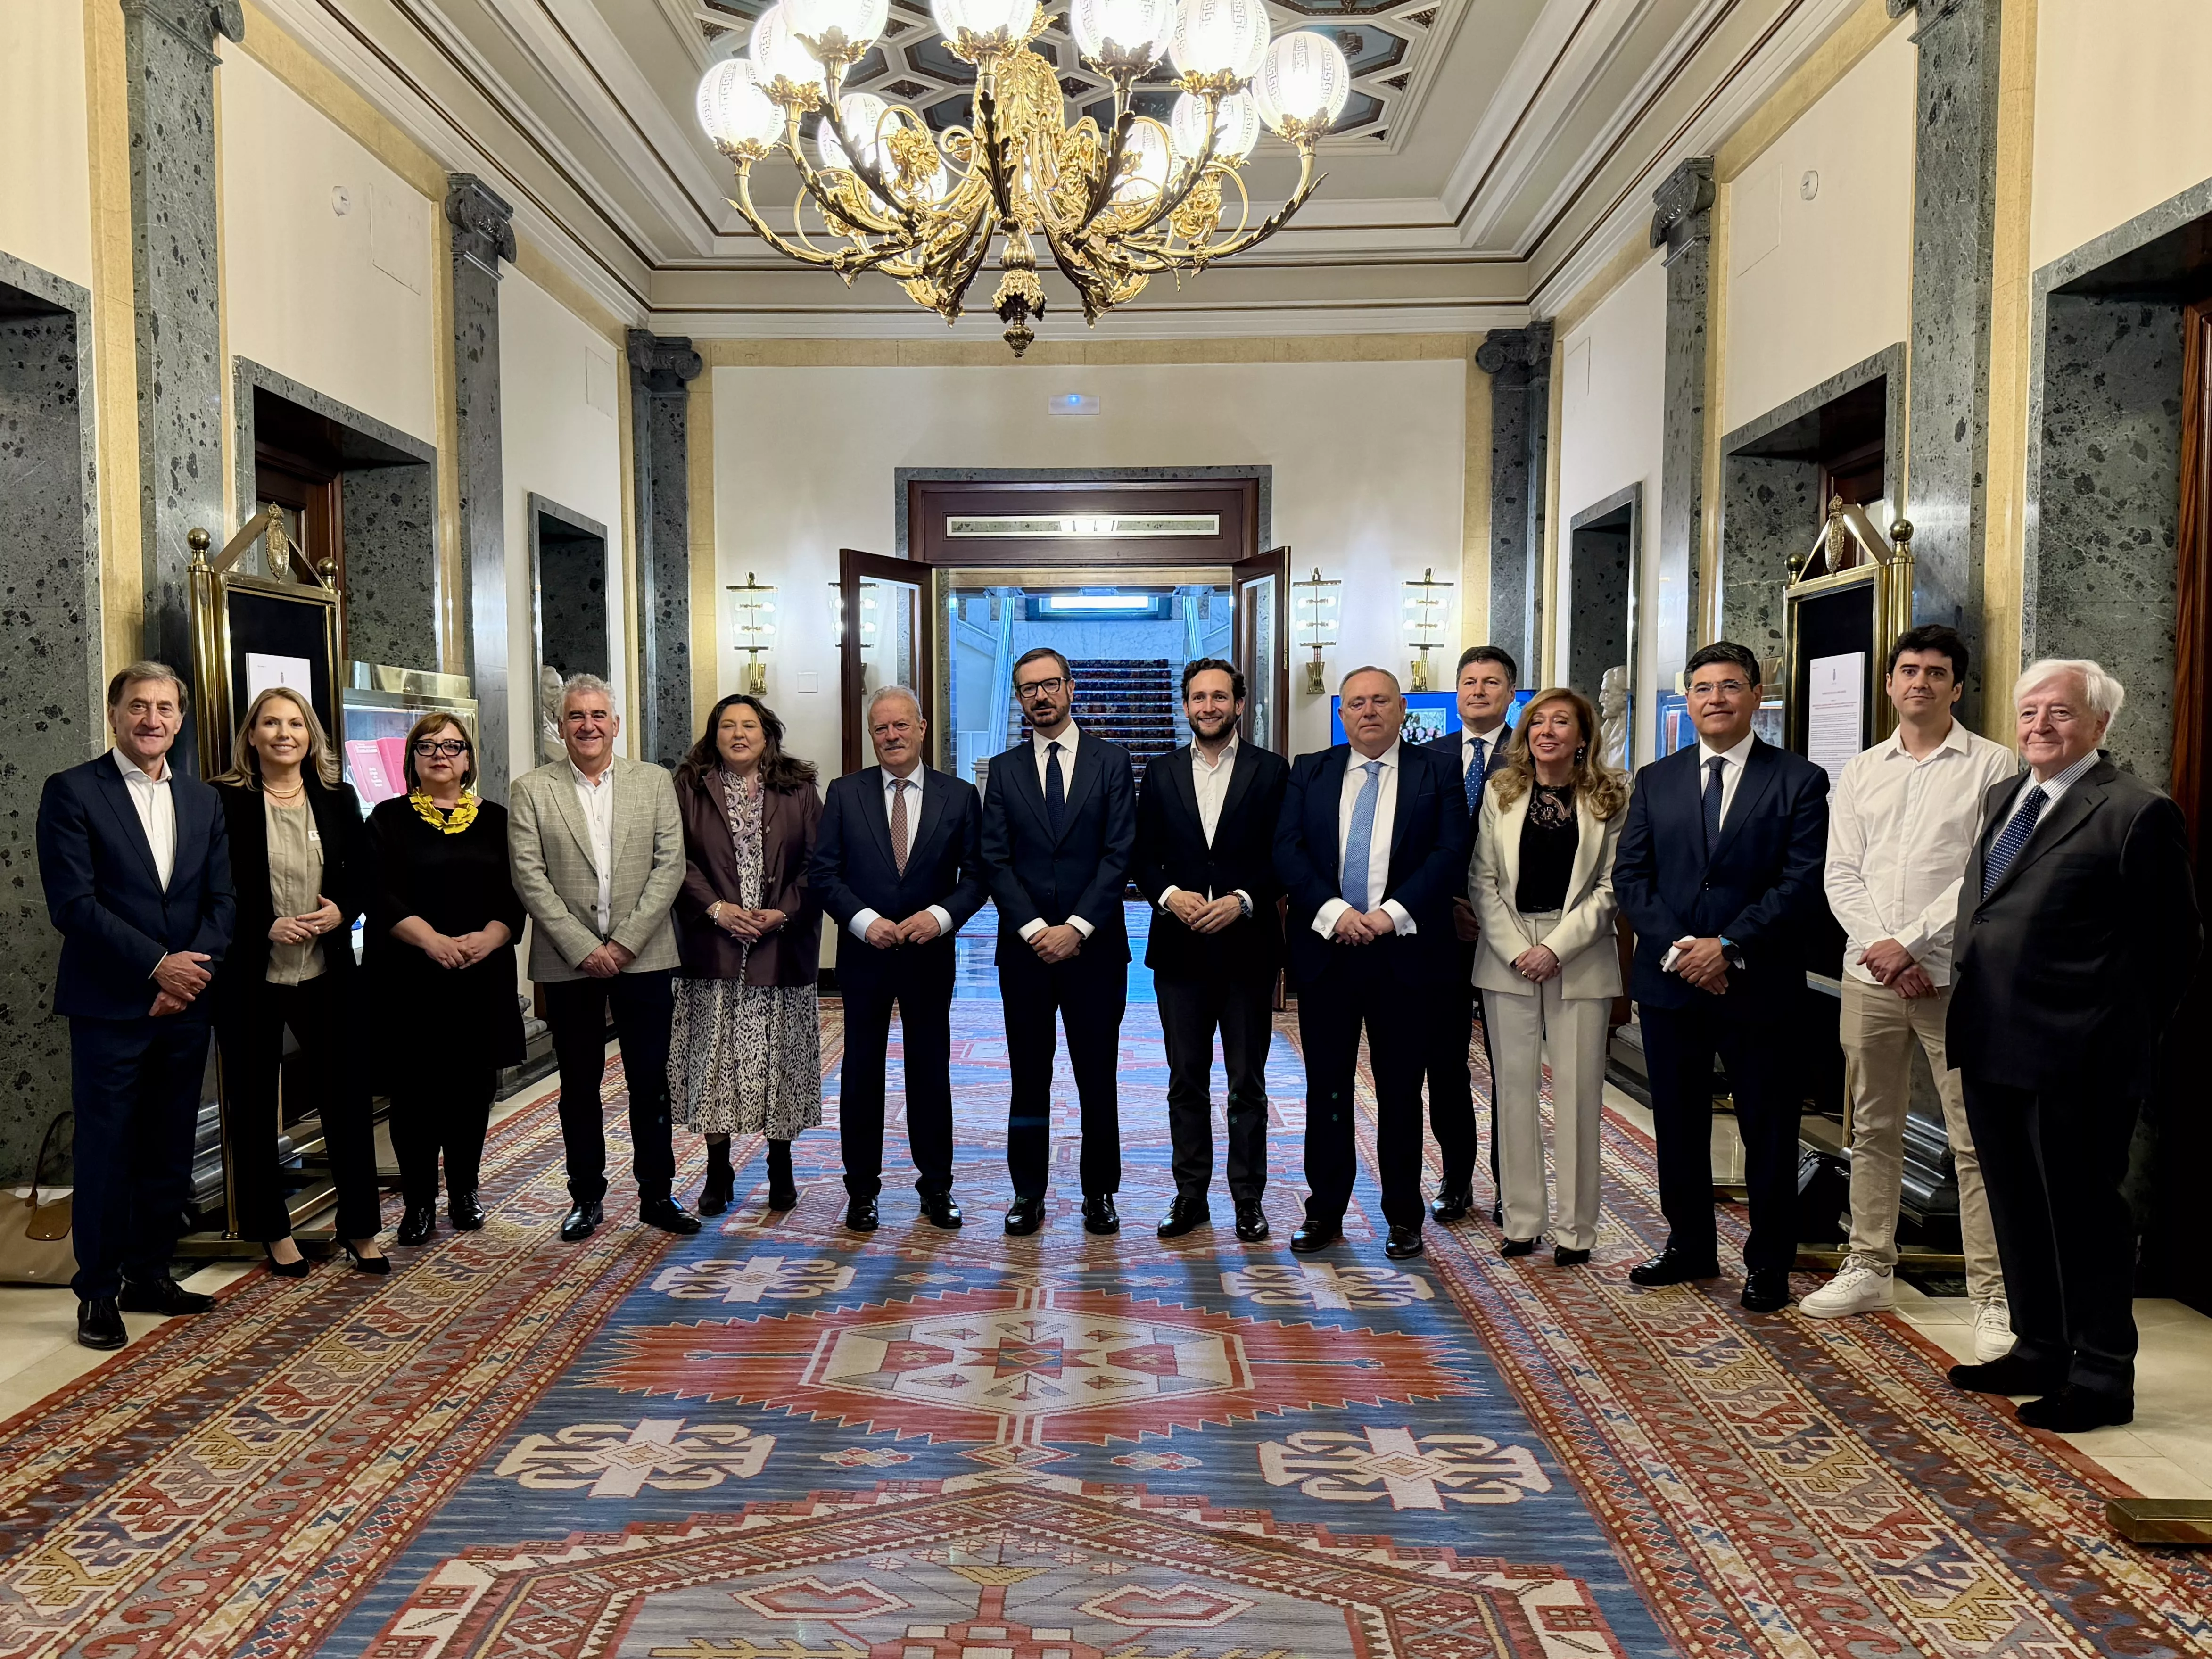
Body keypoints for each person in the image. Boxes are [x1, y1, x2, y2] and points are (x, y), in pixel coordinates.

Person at [1944, 659, 2200, 1432]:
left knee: (2083, 1216)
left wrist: (2115, 1031)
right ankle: (2038, 1343)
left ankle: (2100, 1375)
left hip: (2080, 1057)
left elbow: (2174, 944)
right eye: (2028, 712)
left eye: (2059, 711)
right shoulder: (2004, 796)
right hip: (1992, 1039)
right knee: (2017, 1204)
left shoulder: (2134, 810)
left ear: (2098, 724)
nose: (2039, 725)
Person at [1805, 625, 2016, 1355]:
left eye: (1936, 671)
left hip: (1954, 978)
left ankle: (1994, 1295)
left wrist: (1915, 944)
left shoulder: (1994, 766)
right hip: (1870, 975)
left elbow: (1985, 873)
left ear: (1957, 686)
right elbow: (1841, 872)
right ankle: (1867, 1262)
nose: (1920, 681)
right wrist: (1884, 950)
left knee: (1973, 1138)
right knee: (1871, 1125)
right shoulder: (1862, 769)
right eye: (1908, 670)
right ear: (1889, 684)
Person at [1613, 641, 1830, 1312]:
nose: (1716, 698)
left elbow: (1802, 881)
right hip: (1673, 981)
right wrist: (1685, 947)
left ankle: (1769, 1261)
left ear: (1756, 695)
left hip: (1759, 984)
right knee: (1677, 1121)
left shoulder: (1800, 779)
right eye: (1703, 686)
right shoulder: (1656, 779)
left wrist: (1729, 944)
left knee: (1768, 1125)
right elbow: (1632, 876)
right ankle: (1689, 1246)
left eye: (1730, 686)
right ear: (1690, 696)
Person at [38, 663, 235, 1350]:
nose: (152, 719)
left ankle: (150, 1273)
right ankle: (97, 1290)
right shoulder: (72, 792)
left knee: (169, 1145)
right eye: (138, 706)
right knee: (106, 1150)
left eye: (166, 708)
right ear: (116, 713)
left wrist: (189, 973)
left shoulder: (205, 801)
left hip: (187, 1004)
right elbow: (74, 904)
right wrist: (157, 966)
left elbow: (223, 903)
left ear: (181, 719)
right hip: (111, 1005)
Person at [1275, 666, 1468, 1260]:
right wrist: (1336, 912)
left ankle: (1404, 1216)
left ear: (1402, 707)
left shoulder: (1437, 772)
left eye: (1380, 700)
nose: (1368, 712)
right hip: (1328, 955)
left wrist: (1390, 914)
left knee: (1402, 1092)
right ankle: (1325, 1211)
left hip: (1406, 955)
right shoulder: (1311, 770)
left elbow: (1450, 851)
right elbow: (1288, 850)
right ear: (1342, 713)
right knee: (1327, 1091)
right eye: (1355, 703)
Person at [509, 675, 699, 1243]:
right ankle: (586, 1197)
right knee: (579, 1084)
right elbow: (529, 876)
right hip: (569, 964)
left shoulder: (654, 781)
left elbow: (671, 866)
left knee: (650, 1080)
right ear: (561, 727)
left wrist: (625, 943)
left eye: (598, 715)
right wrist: (585, 947)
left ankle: (657, 1194)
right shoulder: (531, 789)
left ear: (616, 724)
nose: (588, 725)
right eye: (576, 717)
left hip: (644, 957)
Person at [209, 688, 386, 1277]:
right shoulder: (223, 801)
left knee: (345, 1102)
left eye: (296, 724)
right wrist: (264, 926)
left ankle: (360, 1227)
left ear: (311, 735)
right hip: (252, 976)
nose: (284, 734)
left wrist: (343, 912)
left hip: (328, 971)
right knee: (254, 1107)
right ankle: (273, 1231)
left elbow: (364, 876)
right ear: (252, 735)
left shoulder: (337, 798)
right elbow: (214, 889)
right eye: (271, 723)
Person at [809, 686, 983, 1231]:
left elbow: (978, 877)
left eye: (901, 726)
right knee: (861, 1073)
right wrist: (863, 922)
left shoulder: (958, 797)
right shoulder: (844, 793)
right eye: (881, 728)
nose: (891, 736)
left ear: (922, 728)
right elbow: (824, 875)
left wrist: (941, 917)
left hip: (930, 955)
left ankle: (936, 1187)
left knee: (929, 1072)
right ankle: (861, 1190)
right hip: (865, 955)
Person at [979, 647, 1137, 1237]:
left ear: (1071, 688)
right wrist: (1034, 929)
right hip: (1024, 954)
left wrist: (1076, 927)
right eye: (1027, 689)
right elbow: (994, 859)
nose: (1040, 697)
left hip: (1095, 950)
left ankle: (1100, 1192)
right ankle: (1028, 1192)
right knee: (1029, 1074)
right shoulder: (1004, 768)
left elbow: (1120, 852)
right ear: (1019, 699)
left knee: (1098, 1073)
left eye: (1049, 685)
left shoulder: (1112, 761)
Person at [1131, 659, 1289, 1242]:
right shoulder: (1161, 770)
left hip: (1248, 949)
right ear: (1185, 706)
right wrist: (1170, 895)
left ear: (1239, 705)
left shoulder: (1273, 771)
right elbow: (1141, 855)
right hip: (1181, 950)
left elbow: (1287, 855)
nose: (1208, 706)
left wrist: (1247, 899)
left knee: (1247, 1082)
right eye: (1198, 697)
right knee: (1185, 1080)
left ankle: (1248, 1199)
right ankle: (1189, 1195)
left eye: (1219, 696)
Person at [1470, 687, 1627, 1266]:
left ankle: (1575, 1230)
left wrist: (1555, 948)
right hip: (1508, 952)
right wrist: (1518, 950)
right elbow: (1482, 880)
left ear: (1582, 736)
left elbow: (1613, 887)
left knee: (1579, 1095)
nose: (1548, 731)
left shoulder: (1612, 796)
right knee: (1512, 1092)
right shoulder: (1500, 792)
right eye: (1539, 722)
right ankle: (1522, 1220)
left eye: (1562, 722)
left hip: (1579, 954)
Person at [366, 715, 527, 1245]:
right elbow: (377, 893)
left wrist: (493, 936)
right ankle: (417, 1205)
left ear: (468, 759)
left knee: (470, 1090)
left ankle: (464, 1192)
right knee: (414, 1095)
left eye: (453, 746)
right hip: (410, 976)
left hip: (480, 974)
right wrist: (430, 939)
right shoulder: (388, 819)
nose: (441, 755)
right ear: (412, 758)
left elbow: (517, 893)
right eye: (428, 746)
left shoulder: (499, 819)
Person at [669, 693, 825, 1216]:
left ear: (768, 734)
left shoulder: (799, 787)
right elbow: (675, 860)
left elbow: (818, 862)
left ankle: (781, 1166)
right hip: (713, 948)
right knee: (714, 1064)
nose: (739, 735)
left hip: (782, 947)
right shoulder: (689, 787)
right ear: (714, 735)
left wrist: (784, 912)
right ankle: (719, 1169)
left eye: (750, 726)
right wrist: (715, 909)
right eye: (728, 726)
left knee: (779, 1063)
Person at [1421, 644, 1516, 1224]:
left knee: (1511, 1063)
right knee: (1445, 1062)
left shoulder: (1531, 753)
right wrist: (1444, 904)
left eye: (1491, 682)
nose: (1478, 691)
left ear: (1511, 693)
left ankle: (1514, 1184)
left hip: (1512, 932)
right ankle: (1457, 1177)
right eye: (1469, 682)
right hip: (1442, 930)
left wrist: (1497, 913)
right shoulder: (1426, 757)